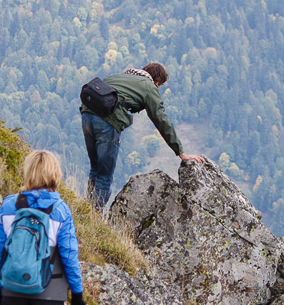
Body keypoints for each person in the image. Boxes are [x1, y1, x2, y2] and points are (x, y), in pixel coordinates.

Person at [79, 63, 206, 209]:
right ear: (157, 79)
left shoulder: (120, 76)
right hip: (107, 122)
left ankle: (85, 210)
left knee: (95, 168)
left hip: (86, 115)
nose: (158, 88)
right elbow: (161, 119)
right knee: (104, 175)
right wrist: (181, 152)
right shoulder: (148, 86)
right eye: (160, 85)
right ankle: (93, 214)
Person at [0, 150, 85, 305]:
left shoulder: (8, 206)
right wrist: (77, 293)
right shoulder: (60, 210)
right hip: (49, 291)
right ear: (55, 174)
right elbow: (69, 256)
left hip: (13, 287)